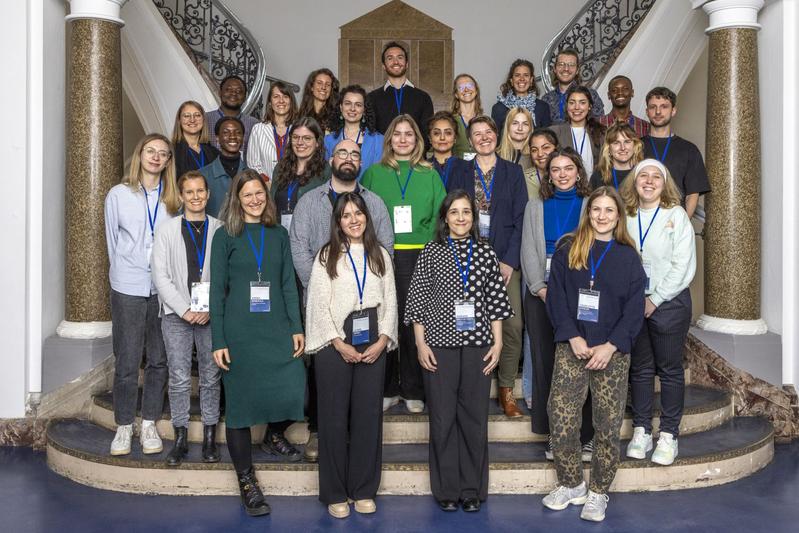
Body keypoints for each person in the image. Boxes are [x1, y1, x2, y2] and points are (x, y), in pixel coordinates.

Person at [405, 190, 513, 512]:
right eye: (455, 212)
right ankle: (447, 490)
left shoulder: (485, 252)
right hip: (439, 347)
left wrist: (498, 342)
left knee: (474, 419)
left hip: (479, 345)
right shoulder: (431, 252)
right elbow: (417, 301)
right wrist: (420, 344)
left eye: (467, 212)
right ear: (445, 217)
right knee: (442, 418)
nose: (461, 218)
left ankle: (471, 489)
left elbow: (495, 303)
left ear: (473, 218)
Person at [542, 186, 645, 523]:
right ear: (588, 213)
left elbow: (634, 310)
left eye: (609, 211)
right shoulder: (567, 250)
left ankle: (599, 491)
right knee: (560, 416)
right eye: (596, 209)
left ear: (618, 217)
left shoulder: (629, 257)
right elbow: (556, 298)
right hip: (574, 347)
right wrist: (571, 336)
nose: (602, 216)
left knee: (607, 424)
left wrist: (612, 345)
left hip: (610, 352)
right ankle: (572, 483)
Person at [290, 139, 394, 462]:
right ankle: (320, 432)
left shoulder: (374, 202)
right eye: (343, 153)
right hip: (322, 304)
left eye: (355, 154)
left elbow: (385, 247)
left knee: (362, 382)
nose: (348, 158)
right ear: (331, 158)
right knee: (325, 376)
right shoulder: (309, 202)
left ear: (360, 161)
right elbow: (299, 248)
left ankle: (354, 438)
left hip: (366, 307)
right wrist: (326, 285)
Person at [210, 169, 306, 517]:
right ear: (237, 198)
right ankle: (247, 479)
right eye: (247, 194)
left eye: (260, 194)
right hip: (240, 333)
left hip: (277, 328)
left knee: (297, 389)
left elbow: (286, 285)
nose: (254, 200)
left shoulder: (279, 234)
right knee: (239, 407)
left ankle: (272, 434)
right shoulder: (225, 237)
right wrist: (218, 339)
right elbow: (216, 292)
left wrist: (296, 327)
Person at [305, 192, 398, 518]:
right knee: (332, 420)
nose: (354, 219)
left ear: (366, 218)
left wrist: (384, 338)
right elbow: (317, 304)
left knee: (367, 419)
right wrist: (338, 342)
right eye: (346, 215)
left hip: (374, 343)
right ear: (338, 221)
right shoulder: (326, 256)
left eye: (359, 213)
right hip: (335, 346)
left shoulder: (380, 255)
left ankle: (363, 489)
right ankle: (334, 492)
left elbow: (390, 301)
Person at [361, 114, 447, 414]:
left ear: (417, 140)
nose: (402, 139)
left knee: (413, 323)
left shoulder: (430, 174)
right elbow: (361, 214)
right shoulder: (373, 173)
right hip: (381, 255)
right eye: (396, 134)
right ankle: (387, 387)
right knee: (385, 320)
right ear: (389, 140)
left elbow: (441, 218)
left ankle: (412, 388)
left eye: (408, 134)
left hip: (420, 256)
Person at [104, 133, 181, 457]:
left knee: (159, 359)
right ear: (141, 154)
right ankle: (124, 426)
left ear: (167, 162)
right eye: (151, 151)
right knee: (127, 358)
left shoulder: (172, 199)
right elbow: (112, 242)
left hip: (161, 289)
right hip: (129, 286)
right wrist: (126, 270)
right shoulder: (119, 195)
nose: (156, 157)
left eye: (163, 154)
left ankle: (148, 422)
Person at [447, 116, 527, 419]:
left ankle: (506, 390)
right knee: (469, 324)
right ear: (470, 139)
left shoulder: (513, 172)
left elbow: (521, 220)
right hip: (467, 259)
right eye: (477, 134)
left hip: (506, 260)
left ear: (497, 135)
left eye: (488, 132)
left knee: (512, 327)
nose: (483, 138)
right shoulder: (459, 170)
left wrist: (508, 262)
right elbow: (451, 213)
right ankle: (471, 390)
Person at [520, 147, 595, 460]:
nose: (562, 174)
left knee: (583, 363)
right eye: (555, 169)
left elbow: (596, 249)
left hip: (580, 295)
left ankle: (586, 435)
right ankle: (555, 435)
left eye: (568, 168)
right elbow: (528, 249)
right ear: (547, 175)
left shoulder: (591, 205)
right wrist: (540, 288)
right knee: (547, 364)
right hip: (541, 296)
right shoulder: (535, 205)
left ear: (578, 172)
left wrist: (565, 293)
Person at [621, 159, 695, 466]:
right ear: (634, 182)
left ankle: (668, 435)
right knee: (639, 370)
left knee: (669, 370)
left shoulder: (675, 215)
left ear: (665, 184)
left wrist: (656, 298)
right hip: (633, 305)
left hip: (670, 304)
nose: (649, 181)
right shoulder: (624, 215)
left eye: (656, 177)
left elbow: (683, 264)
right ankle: (641, 430)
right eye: (643, 176)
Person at [151, 170, 222, 466]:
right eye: (189, 192)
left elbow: (224, 274)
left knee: (211, 377)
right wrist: (185, 309)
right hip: (176, 315)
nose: (195, 197)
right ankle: (180, 438)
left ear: (207, 194)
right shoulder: (167, 230)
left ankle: (209, 438)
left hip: (211, 315)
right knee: (179, 378)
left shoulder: (220, 229)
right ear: (181, 197)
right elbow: (160, 275)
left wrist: (209, 309)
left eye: (200, 191)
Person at [642, 87, 710, 218]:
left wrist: (681, 226)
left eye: (664, 107)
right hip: (641, 220)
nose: (658, 111)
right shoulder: (636, 147)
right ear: (647, 111)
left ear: (673, 111)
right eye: (652, 107)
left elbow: (692, 194)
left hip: (673, 221)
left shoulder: (689, 150)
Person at [270, 116, 330, 231]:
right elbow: (271, 203)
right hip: (280, 234)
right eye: (295, 137)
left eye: (307, 138)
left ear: (317, 142)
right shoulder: (280, 168)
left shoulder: (325, 171)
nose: (300, 142)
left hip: (310, 237)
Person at [367, 42, 434, 144]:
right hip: (383, 157)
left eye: (400, 57)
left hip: (415, 158)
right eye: (390, 58)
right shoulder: (372, 98)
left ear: (407, 64)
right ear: (383, 66)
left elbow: (427, 135)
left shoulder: (423, 97)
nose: (396, 62)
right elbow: (371, 134)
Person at [324, 85, 384, 180]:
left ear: (364, 110)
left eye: (358, 105)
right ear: (341, 107)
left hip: (367, 193)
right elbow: (326, 175)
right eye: (348, 103)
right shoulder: (328, 140)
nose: (352, 108)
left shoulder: (378, 140)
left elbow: (379, 177)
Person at [248, 81, 299, 184]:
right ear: (270, 103)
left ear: (291, 101)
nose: (281, 101)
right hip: (267, 187)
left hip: (294, 186)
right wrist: (267, 182)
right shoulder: (258, 129)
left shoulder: (300, 129)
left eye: (285, 96)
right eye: (276, 96)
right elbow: (253, 164)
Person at [551, 85, 606, 174]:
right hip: (566, 185)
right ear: (567, 106)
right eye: (572, 103)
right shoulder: (555, 132)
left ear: (590, 106)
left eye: (582, 102)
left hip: (594, 186)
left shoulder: (600, 132)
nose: (577, 107)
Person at [200, 116, 247, 218]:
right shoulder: (202, 175)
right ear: (217, 138)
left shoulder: (251, 175)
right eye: (226, 133)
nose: (232, 136)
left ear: (243, 138)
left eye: (238, 132)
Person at [492, 59, 552, 137]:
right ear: (511, 81)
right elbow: (496, 139)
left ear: (531, 80)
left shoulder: (542, 107)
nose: (522, 78)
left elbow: (546, 138)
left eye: (526, 75)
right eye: (517, 75)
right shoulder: (498, 108)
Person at [542, 49, 604, 124]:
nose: (566, 69)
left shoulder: (590, 94)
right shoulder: (546, 99)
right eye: (561, 64)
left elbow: (599, 125)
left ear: (577, 70)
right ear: (555, 69)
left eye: (571, 65)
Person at [205, 75, 259, 157]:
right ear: (220, 93)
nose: (233, 93)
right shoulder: (205, 120)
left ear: (244, 97)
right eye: (228, 89)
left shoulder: (254, 124)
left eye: (239, 91)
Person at [171, 100, 219, 179]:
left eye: (197, 115)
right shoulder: (171, 152)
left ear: (203, 120)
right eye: (186, 116)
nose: (192, 120)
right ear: (179, 121)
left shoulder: (214, 152)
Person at [589, 122, 644, 191]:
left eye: (627, 142)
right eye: (616, 143)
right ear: (608, 148)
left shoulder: (643, 174)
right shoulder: (598, 176)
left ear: (635, 145)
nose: (623, 148)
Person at [427, 111, 471, 188]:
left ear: (455, 138)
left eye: (448, 133)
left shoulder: (467, 168)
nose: (442, 138)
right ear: (430, 138)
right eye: (436, 133)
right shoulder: (422, 168)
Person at [450, 73, 483, 159]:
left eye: (469, 85)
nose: (466, 89)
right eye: (461, 87)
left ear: (476, 91)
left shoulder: (484, 121)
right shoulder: (450, 121)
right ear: (456, 94)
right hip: (457, 169)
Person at [298, 68, 340, 133]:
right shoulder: (300, 115)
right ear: (312, 87)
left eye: (328, 84)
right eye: (319, 83)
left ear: (331, 89)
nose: (323, 87)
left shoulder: (336, 116)